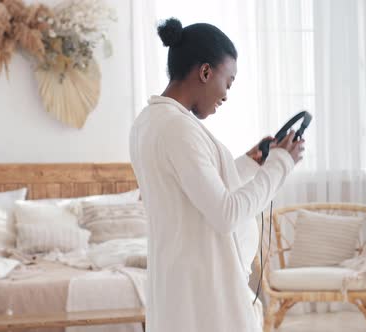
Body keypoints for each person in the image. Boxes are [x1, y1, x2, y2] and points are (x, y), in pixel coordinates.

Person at [129, 17, 305, 332]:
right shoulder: (179, 128)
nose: (226, 95)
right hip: (206, 293)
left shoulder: (150, 121)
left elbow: (193, 189)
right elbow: (226, 213)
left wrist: (252, 163)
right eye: (228, 82)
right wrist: (281, 164)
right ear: (206, 71)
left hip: (181, 286)